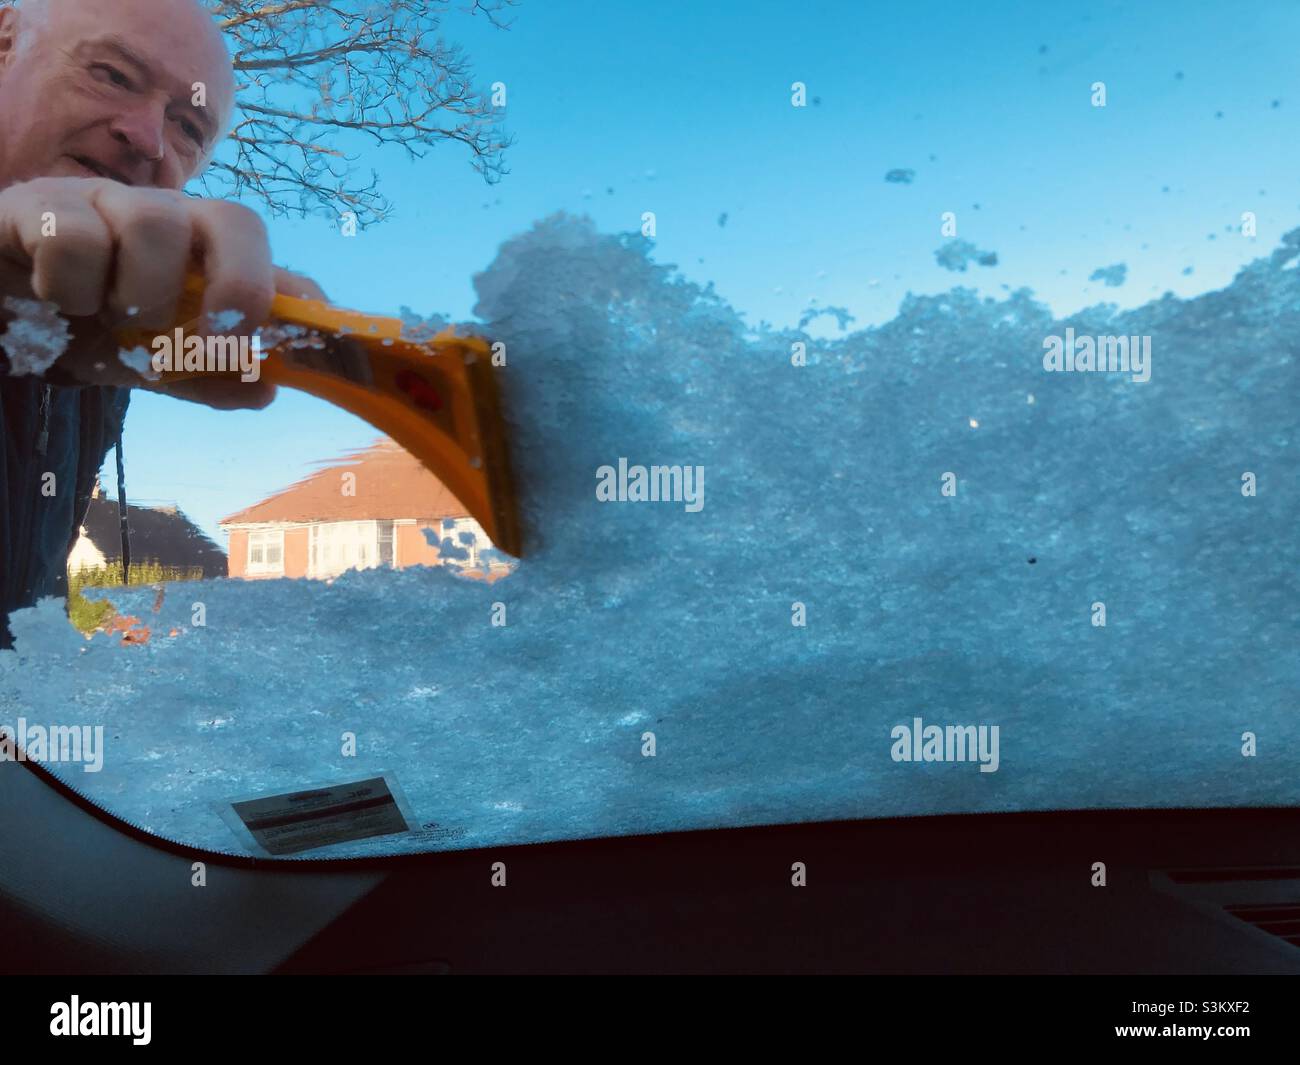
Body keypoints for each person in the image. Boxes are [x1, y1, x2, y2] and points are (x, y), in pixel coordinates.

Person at [0, 0, 325, 648]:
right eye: (113, 75)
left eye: (188, 127)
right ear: (5, 43)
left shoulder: (102, 351)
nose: (148, 138)